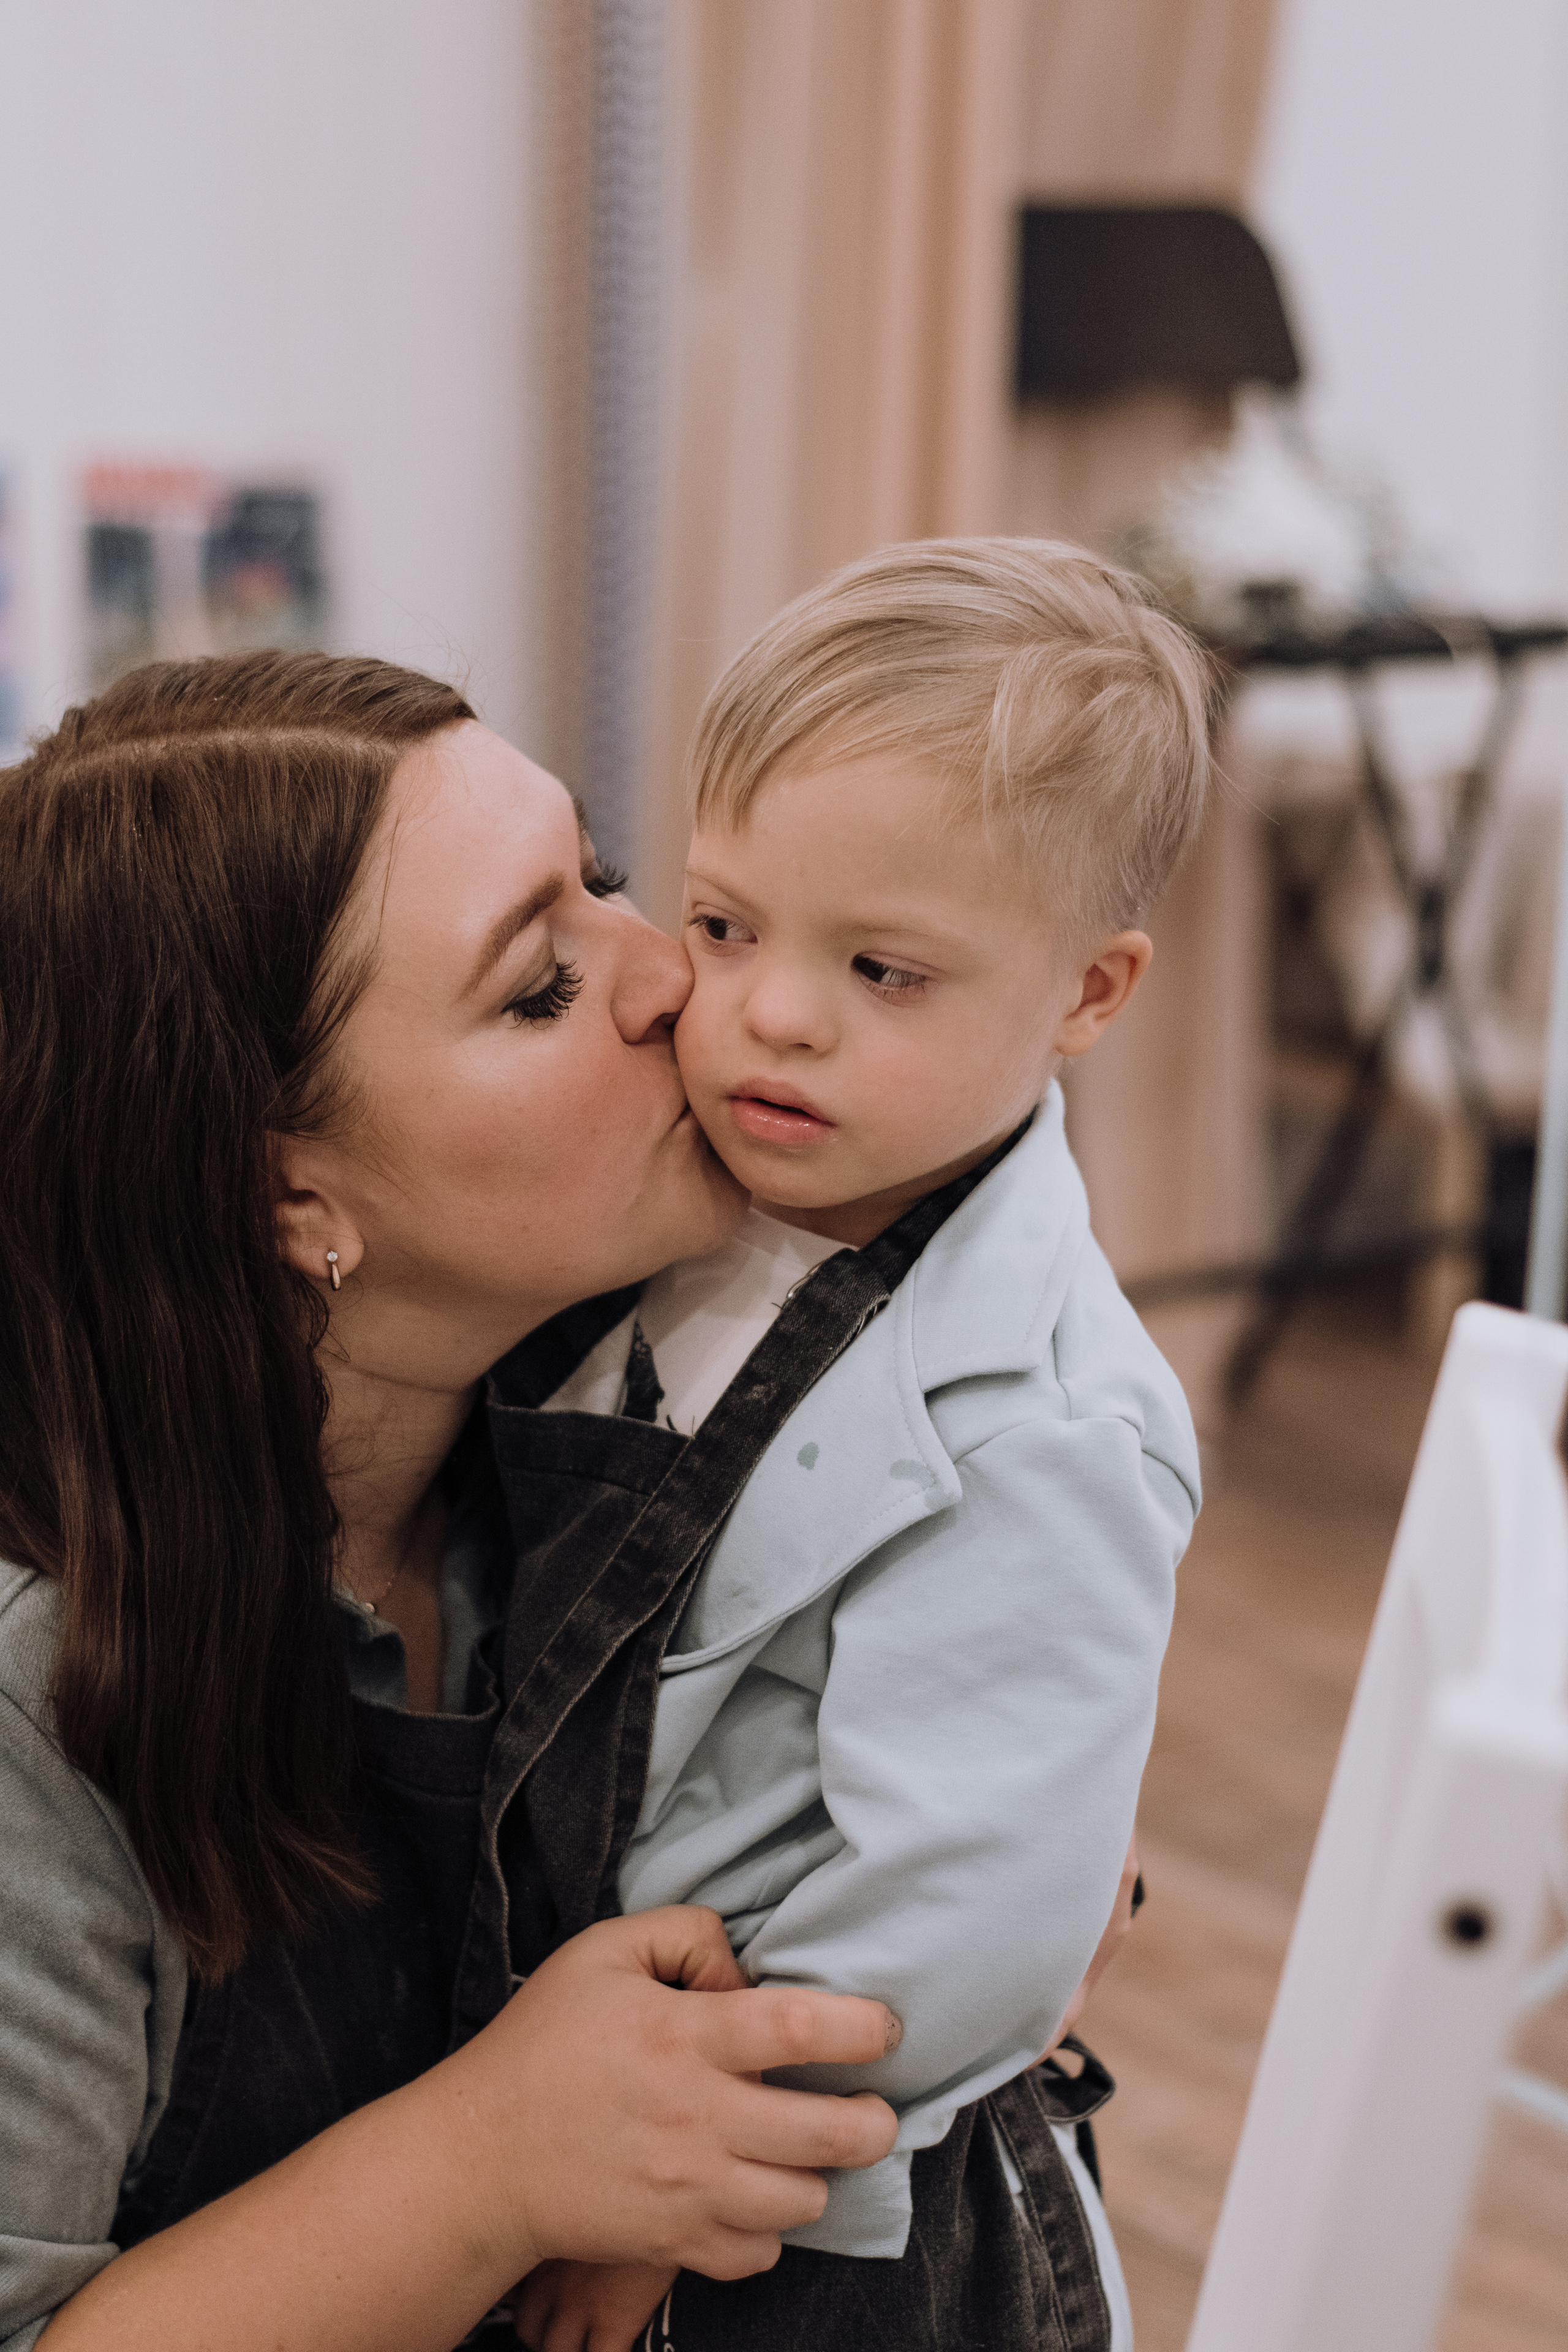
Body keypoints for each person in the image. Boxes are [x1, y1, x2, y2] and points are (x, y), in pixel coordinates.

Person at [0, 652, 912, 2352]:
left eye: (611, 884)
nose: (679, 978)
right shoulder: (28, 1696)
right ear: (289, 1191)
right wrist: (494, 2162)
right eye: (539, 988)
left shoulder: (650, 1424)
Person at [494, 541, 1210, 2352]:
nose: (775, 1012)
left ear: (1089, 993)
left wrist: (684, 2177)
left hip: (810, 2230)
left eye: (884, 969)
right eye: (726, 926)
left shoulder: (1043, 1425)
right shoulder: (698, 1186)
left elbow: (964, 1914)